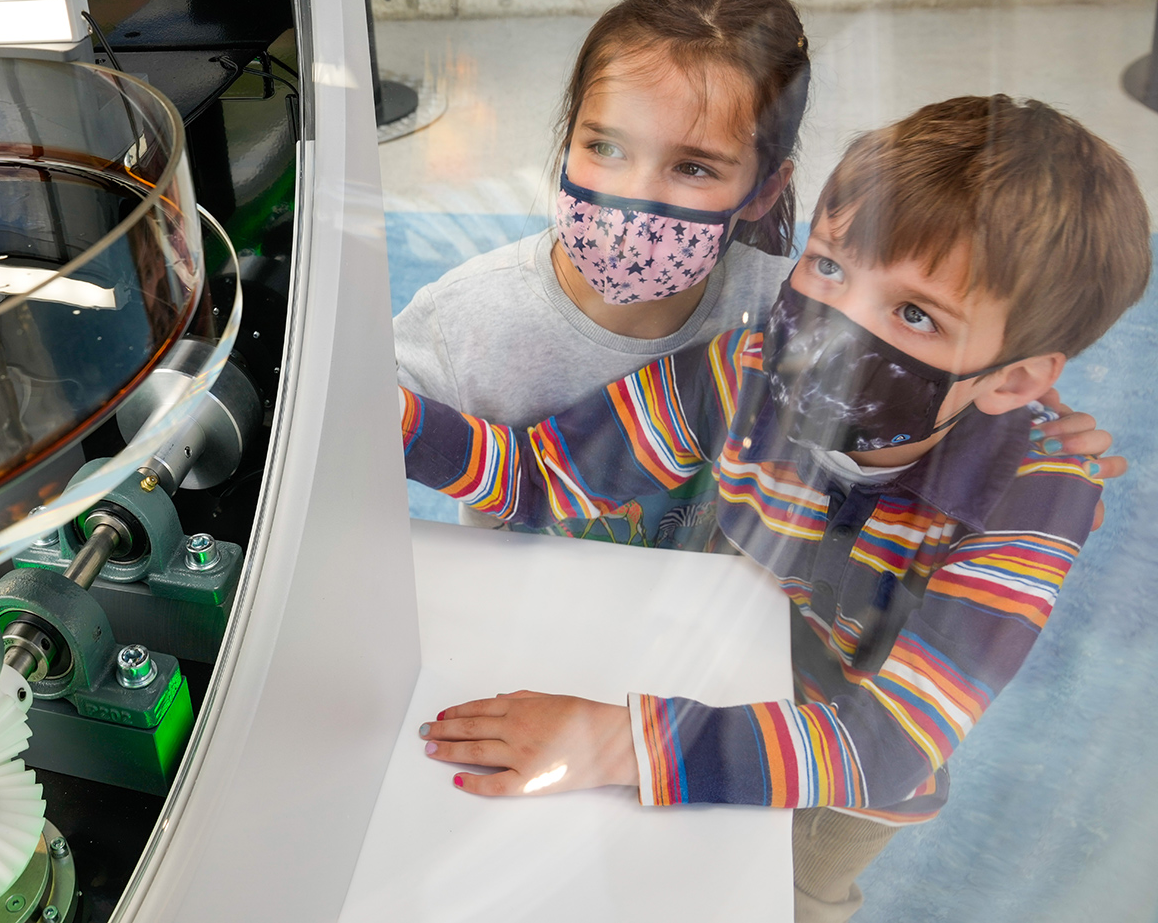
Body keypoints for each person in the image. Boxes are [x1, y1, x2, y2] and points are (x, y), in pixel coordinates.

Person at [398, 97, 1151, 921]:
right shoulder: (747, 366)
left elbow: (889, 745)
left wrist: (614, 742)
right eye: (829, 265)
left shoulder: (1039, 491)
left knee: (792, 900)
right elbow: (545, 477)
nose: (835, 326)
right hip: (702, 683)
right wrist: (391, 419)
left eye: (913, 314)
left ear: (1011, 381)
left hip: (837, 790)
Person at [395, 0, 1116, 541]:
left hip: (717, 641)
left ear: (764, 191)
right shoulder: (461, 321)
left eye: (694, 167)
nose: (633, 198)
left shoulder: (795, 311)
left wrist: (1012, 455)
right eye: (604, 147)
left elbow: (886, 444)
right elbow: (332, 443)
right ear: (566, 138)